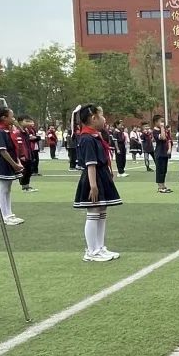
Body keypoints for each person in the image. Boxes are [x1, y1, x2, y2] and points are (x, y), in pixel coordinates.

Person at [73, 104, 122, 262]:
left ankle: (99, 247)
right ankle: (91, 251)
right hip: (93, 177)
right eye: (101, 115)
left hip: (101, 175)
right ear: (93, 118)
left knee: (101, 211)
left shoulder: (95, 135)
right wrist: (93, 185)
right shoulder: (87, 138)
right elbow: (90, 163)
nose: (104, 119)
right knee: (93, 212)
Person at [0, 106, 25, 225]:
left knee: (7, 189)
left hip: (8, 163)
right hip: (2, 163)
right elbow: (2, 150)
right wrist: (14, 164)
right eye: (12, 116)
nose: (13, 118)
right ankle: (3, 216)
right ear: (4, 118)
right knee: (3, 188)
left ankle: (9, 214)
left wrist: (17, 162)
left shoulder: (6, 130)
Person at [13, 117, 35, 193]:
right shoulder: (17, 132)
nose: (29, 123)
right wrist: (21, 155)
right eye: (27, 121)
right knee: (24, 171)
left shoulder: (25, 131)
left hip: (28, 153)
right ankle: (24, 187)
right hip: (23, 155)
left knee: (29, 170)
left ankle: (27, 186)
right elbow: (19, 145)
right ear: (20, 122)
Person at [153, 115, 173, 194]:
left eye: (162, 121)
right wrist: (162, 128)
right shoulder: (155, 131)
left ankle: (163, 185)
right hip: (159, 153)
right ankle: (160, 187)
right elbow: (163, 138)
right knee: (160, 170)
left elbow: (168, 139)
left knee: (164, 170)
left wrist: (169, 149)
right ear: (155, 122)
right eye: (160, 121)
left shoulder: (163, 130)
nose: (162, 123)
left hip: (165, 153)